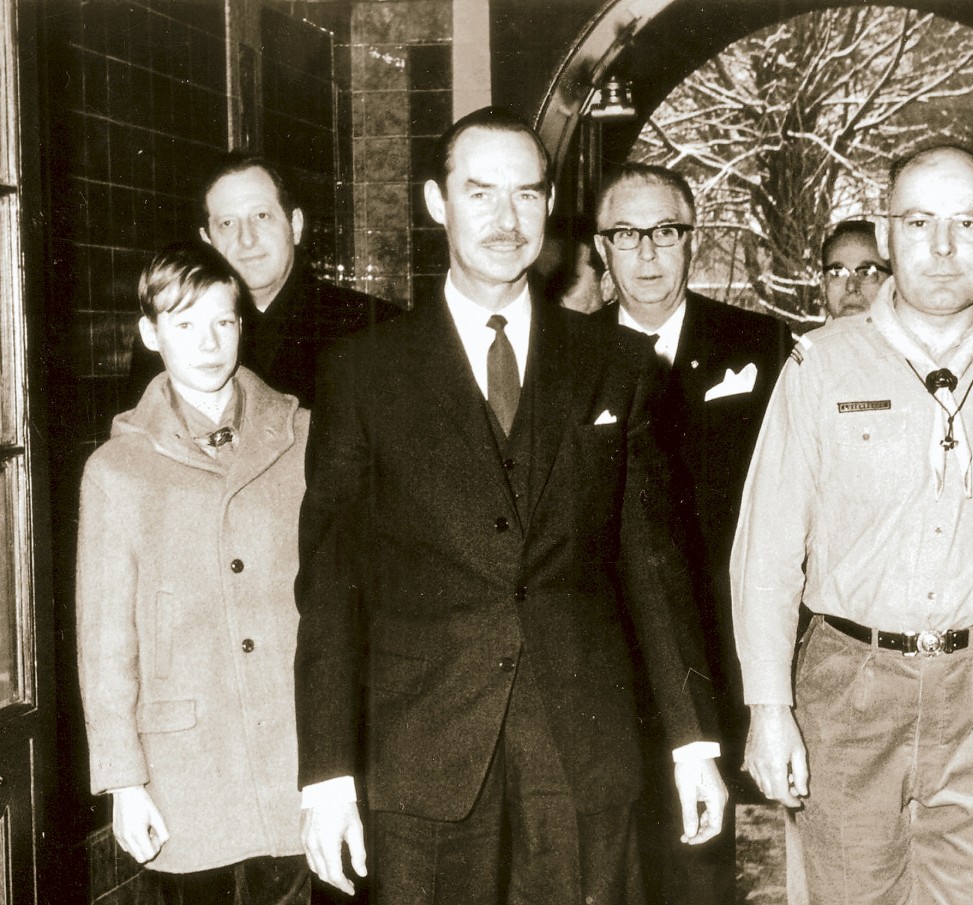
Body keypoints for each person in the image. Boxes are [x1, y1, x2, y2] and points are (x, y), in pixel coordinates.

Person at [294, 107, 727, 905]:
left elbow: (653, 566)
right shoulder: (363, 372)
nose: (505, 219)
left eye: (526, 195)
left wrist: (691, 741)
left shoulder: (616, 363)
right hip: (420, 758)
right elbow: (328, 586)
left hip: (581, 749)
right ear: (436, 202)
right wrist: (325, 775)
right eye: (481, 193)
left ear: (549, 206)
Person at [733, 145, 973, 905]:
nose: (945, 247)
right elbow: (766, 554)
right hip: (849, 688)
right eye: (920, 221)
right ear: (887, 235)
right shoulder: (818, 365)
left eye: (969, 222)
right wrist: (769, 708)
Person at [76, 242, 310, 903]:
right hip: (186, 769)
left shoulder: (305, 440)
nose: (209, 342)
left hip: (296, 753)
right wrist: (124, 781)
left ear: (243, 324)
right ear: (151, 333)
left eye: (223, 321)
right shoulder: (117, 471)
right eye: (184, 324)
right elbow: (106, 641)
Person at [589, 162, 792, 905]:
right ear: (599, 249)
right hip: (608, 658)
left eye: (666, 232)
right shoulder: (569, 359)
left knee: (705, 859)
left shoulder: (760, 344)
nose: (647, 253)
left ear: (692, 241)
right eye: (626, 234)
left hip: (725, 644)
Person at [125, 153, 398, 409]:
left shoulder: (373, 327)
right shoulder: (169, 336)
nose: (247, 239)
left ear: (296, 225)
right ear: (207, 240)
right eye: (228, 224)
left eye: (261, 216)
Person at [820, 219, 890, 319]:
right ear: (823, 286)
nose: (851, 287)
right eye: (838, 274)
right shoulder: (811, 335)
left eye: (866, 273)